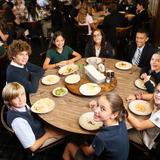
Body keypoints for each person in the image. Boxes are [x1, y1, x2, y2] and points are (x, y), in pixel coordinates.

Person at [63, 92, 129, 160]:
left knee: (69, 146)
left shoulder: (102, 137)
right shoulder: (121, 120)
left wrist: (81, 141)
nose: (96, 110)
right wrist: (98, 108)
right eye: (98, 105)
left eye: (103, 109)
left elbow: (87, 152)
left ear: (114, 114)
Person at [2, 82, 64, 152]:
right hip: (39, 139)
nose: (21, 99)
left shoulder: (21, 105)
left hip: (40, 127)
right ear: (9, 100)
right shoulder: (18, 121)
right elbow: (33, 147)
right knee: (68, 131)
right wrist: (49, 134)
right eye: (15, 97)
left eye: (22, 94)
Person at [127, 83, 160, 150]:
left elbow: (139, 126)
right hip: (146, 130)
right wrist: (137, 97)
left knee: (121, 132)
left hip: (146, 139)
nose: (158, 95)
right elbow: (152, 96)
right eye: (158, 91)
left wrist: (124, 111)